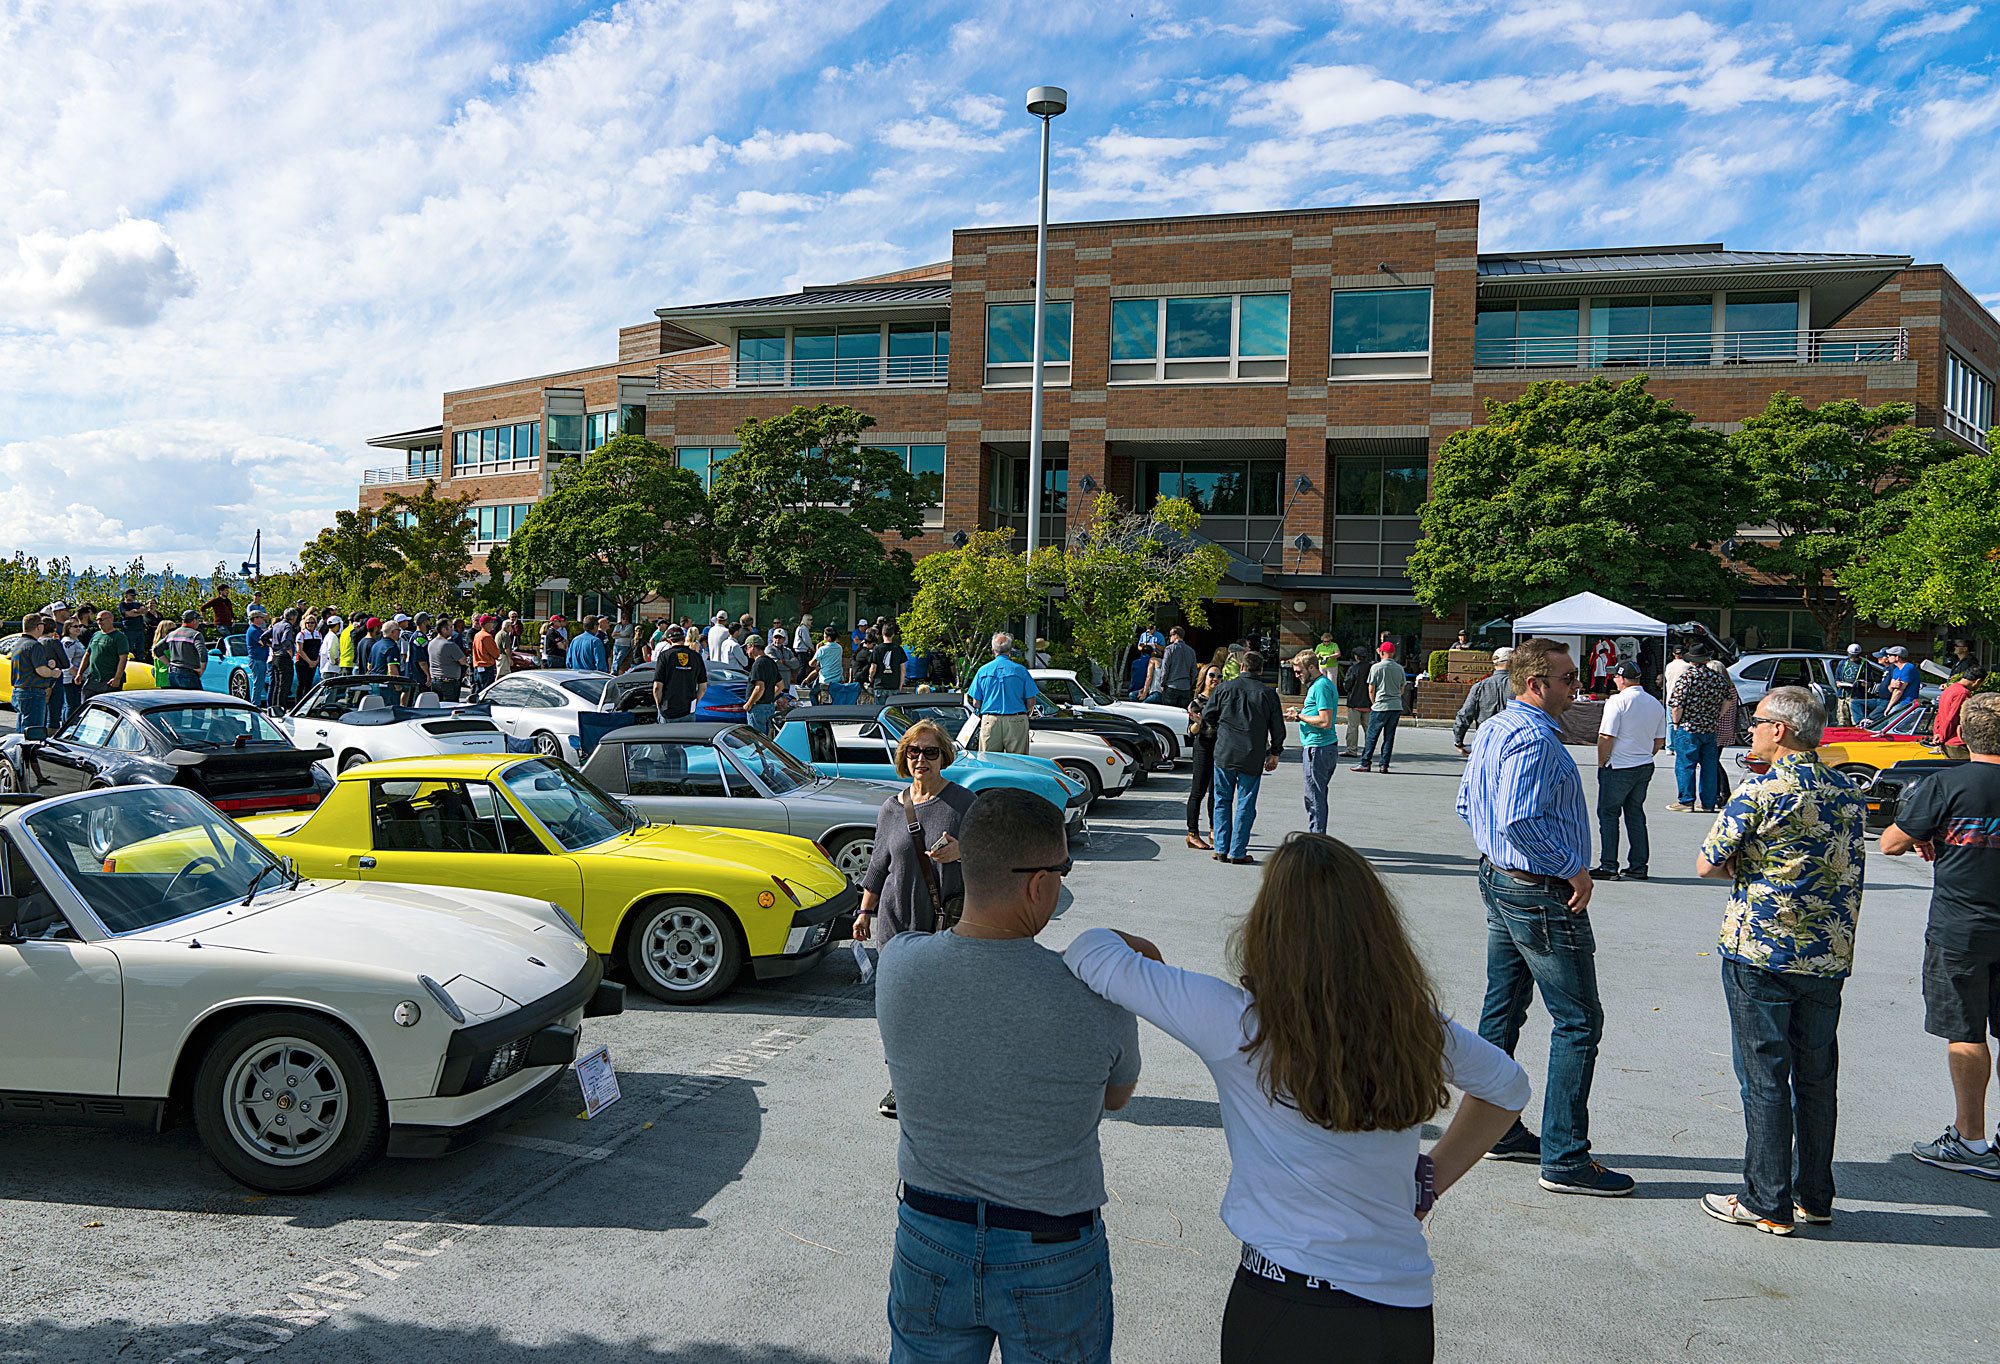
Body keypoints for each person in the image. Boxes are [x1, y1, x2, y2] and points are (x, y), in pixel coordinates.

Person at [1065, 835, 1530, 1362]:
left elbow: (1090, 950)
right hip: (1398, 1310)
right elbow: (1507, 1088)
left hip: (1282, 1302)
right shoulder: (1414, 1025)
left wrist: (1142, 949)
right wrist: (1430, 1180)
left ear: (1267, 928)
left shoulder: (1236, 1023)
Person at [875, 788, 1139, 1364]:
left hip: (928, 1233)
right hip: (1053, 1248)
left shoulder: (897, 965)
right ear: (1039, 883)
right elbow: (1118, 1097)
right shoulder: (1098, 993)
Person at [1458, 637, 1631, 1196]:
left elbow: (1469, 805)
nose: (1576, 686)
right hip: (1536, 890)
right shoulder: (1531, 738)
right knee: (1578, 1021)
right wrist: (1572, 869)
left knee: (1502, 1009)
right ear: (1537, 684)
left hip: (1502, 879)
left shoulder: (1496, 728)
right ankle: (1564, 1156)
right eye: (1566, 678)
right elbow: (1517, 819)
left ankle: (1495, 1129)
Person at [1695, 686, 1866, 1234]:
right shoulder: (1846, 790)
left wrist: (1750, 869)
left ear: (1781, 730)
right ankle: (1814, 1195)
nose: (1751, 728)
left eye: (1758, 720)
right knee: (1815, 1076)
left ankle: (1765, 1200)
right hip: (1827, 955)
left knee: (1765, 1076)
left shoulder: (1762, 790)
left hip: (1763, 950)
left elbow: (1707, 863)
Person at [1881, 693, 2000, 1178]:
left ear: (1963, 735)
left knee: (1966, 1032)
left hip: (1962, 927)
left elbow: (1890, 842)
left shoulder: (1946, 785)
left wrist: (1931, 834)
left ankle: (1970, 1142)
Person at [856, 720, 978, 1118]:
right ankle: (902, 1083)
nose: (920, 759)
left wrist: (963, 852)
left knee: (942, 1006)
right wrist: (864, 911)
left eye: (929, 752)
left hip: (944, 921)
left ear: (944, 756)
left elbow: (995, 856)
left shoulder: (964, 802)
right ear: (903, 756)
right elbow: (878, 865)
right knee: (897, 1008)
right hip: (895, 921)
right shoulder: (892, 807)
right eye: (913, 751)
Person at [1201, 650, 1284, 866]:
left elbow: (1208, 715)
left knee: (1222, 800)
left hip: (1225, 752)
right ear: (1261, 670)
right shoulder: (1268, 694)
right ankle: (1237, 850)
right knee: (1246, 803)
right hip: (1252, 754)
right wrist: (1275, 752)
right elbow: (1277, 727)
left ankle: (1220, 847)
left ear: (1241, 667)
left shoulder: (1224, 689)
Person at [1590, 662, 1668, 882]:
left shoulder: (1617, 701)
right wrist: (1645, 755)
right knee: (1635, 814)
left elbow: (1606, 736)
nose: (1614, 679)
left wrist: (1602, 762)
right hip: (1643, 764)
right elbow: (1659, 739)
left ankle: (1608, 865)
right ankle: (1638, 865)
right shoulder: (1654, 703)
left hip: (1619, 765)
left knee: (1608, 814)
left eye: (1616, 676)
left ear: (1622, 679)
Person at [1668, 650, 1732, 813]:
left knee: (1685, 764)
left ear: (1692, 661)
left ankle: (1686, 801)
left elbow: (1677, 705)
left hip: (1689, 727)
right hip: (1709, 728)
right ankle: (1707, 803)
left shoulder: (1687, 677)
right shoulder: (1717, 678)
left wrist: (1676, 722)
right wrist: (1716, 716)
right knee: (1709, 766)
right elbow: (1728, 700)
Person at [1284, 650, 1340, 835]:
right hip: (1321, 747)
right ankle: (1317, 834)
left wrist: (1299, 716)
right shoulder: (1319, 685)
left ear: (1312, 667)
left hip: (1318, 747)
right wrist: (1300, 714)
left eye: (1299, 671)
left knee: (1314, 796)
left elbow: (1325, 721)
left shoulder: (1320, 686)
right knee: (1316, 794)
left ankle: (1317, 837)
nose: (1297, 675)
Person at [965, 632, 1042, 756]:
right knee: (1018, 761)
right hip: (1016, 719)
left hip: (990, 720)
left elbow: (976, 702)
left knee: (989, 761)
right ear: (1010, 650)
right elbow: (1031, 701)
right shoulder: (1020, 670)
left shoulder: (982, 671)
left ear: (993, 650)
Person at [1185, 648, 1226, 851]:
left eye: (1219, 676)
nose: (1216, 679)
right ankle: (1192, 833)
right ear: (1204, 677)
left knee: (1216, 791)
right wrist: (1198, 724)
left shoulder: (1222, 700)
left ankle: (1213, 828)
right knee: (1198, 791)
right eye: (1212, 675)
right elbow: (1190, 732)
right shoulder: (1197, 702)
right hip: (1203, 747)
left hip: (1220, 749)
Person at [1354, 641, 1407, 774]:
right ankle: (1384, 765)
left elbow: (1371, 689)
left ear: (1382, 653)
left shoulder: (1376, 668)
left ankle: (1365, 763)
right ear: (1393, 653)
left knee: (1372, 736)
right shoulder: (1399, 668)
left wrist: (1373, 703)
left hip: (1380, 705)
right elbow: (1402, 688)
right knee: (1389, 737)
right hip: (1395, 706)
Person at [7, 614, 62, 741]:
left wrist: (47, 665)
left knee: (21, 731)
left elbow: (28, 665)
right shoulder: (34, 645)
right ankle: (26, 758)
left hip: (19, 691)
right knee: (33, 732)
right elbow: (41, 671)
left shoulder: (19, 643)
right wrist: (53, 672)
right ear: (39, 627)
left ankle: (17, 756)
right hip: (33, 692)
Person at [1453, 646, 1515, 756]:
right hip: (1513, 742)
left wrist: (1459, 741)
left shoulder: (1479, 686)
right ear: (1511, 662)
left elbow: (1464, 714)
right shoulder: (1521, 687)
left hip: (1485, 742)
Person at [651, 628, 708, 720]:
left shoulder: (664, 656)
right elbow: (703, 687)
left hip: (668, 709)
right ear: (683, 638)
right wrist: (694, 702)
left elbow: (657, 687)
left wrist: (659, 705)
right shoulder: (696, 656)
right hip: (688, 709)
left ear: (669, 641)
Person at [1933, 664, 1983, 756]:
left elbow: (1939, 715)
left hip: (1946, 740)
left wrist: (1937, 734)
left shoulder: (1949, 689)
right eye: (1980, 684)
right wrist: (1942, 737)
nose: (1978, 687)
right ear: (1977, 681)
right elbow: (1952, 718)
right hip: (1956, 743)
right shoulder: (1962, 693)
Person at [82, 609, 131, 703]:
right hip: (93, 679)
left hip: (109, 680)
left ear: (111, 619)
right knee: (86, 704)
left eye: (101, 619)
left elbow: (123, 659)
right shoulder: (96, 635)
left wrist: (117, 678)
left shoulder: (119, 637)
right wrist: (80, 673)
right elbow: (87, 654)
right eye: (97, 620)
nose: (99, 622)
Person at [744, 635, 782, 734]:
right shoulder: (771, 662)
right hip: (769, 706)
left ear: (752, 646)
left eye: (746, 647)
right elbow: (780, 685)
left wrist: (749, 704)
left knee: (757, 740)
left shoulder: (758, 663)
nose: (746, 651)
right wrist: (769, 696)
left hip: (758, 708)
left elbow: (759, 688)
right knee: (766, 741)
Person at [1340, 647, 1370, 757]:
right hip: (1369, 703)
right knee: (1369, 729)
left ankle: (1352, 750)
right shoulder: (1372, 668)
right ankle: (1368, 750)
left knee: (1353, 727)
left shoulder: (1353, 669)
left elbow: (1347, 685)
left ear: (1356, 657)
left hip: (1354, 702)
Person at [1157, 626, 1197, 707]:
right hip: (1185, 687)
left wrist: (1162, 683)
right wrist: (1189, 684)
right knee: (1181, 714)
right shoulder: (1191, 651)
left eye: (1171, 635)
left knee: (1169, 713)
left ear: (1176, 635)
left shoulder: (1169, 649)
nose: (1169, 637)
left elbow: (1165, 668)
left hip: (1171, 686)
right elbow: (1194, 671)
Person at [1834, 644, 1871, 727]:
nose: (1852, 657)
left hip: (1856, 697)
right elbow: (1837, 678)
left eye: (1855, 655)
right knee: (1842, 720)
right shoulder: (1843, 663)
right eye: (1851, 655)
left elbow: (1870, 681)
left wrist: (1864, 684)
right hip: (1843, 695)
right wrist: (1838, 683)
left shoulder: (1864, 664)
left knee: (1856, 720)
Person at [427, 625, 467, 701]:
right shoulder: (449, 645)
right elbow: (463, 661)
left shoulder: (431, 643)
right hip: (449, 683)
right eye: (450, 627)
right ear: (443, 629)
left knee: (438, 707)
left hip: (435, 681)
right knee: (450, 708)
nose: (452, 630)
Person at [243, 608, 271, 707]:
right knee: (258, 684)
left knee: (260, 683)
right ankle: (255, 705)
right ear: (255, 618)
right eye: (260, 617)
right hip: (257, 660)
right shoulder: (253, 630)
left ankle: (256, 704)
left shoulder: (258, 630)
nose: (262, 619)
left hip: (261, 659)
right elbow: (263, 642)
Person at [1885, 645, 1922, 712]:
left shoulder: (1908, 668)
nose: (1888, 656)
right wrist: (1892, 686)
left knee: (1891, 715)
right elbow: (1891, 689)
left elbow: (1899, 691)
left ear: (1897, 657)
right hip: (1897, 700)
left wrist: (1889, 707)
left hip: (1907, 702)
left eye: (1890, 655)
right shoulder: (1896, 670)